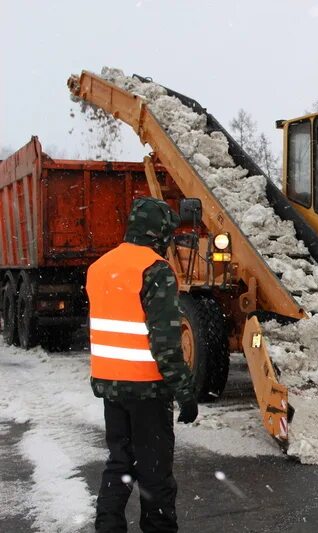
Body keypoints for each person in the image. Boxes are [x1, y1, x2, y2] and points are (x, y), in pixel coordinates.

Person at [87, 197, 197, 532]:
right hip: (147, 390)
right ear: (161, 233)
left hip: (110, 385)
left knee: (119, 464)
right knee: (155, 474)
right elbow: (165, 341)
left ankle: (107, 527)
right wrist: (185, 392)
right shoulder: (155, 270)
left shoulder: (100, 267)